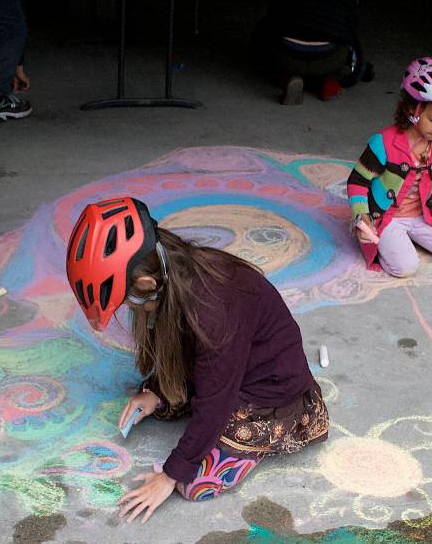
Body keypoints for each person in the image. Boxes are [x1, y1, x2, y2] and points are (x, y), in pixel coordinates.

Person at [65, 198, 328, 523]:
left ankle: (273, 433)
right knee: (166, 402)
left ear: (147, 284)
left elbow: (216, 402)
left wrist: (170, 475)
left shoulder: (213, 313)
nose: (129, 309)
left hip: (271, 391)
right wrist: (156, 390)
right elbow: (185, 347)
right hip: (230, 367)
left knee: (194, 483)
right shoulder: (176, 270)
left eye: (128, 302)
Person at [346, 57, 432, 278]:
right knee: (405, 267)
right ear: (413, 109)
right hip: (387, 216)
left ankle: (408, 239)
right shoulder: (383, 142)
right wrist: (361, 218)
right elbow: (357, 182)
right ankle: (382, 240)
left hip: (425, 214)